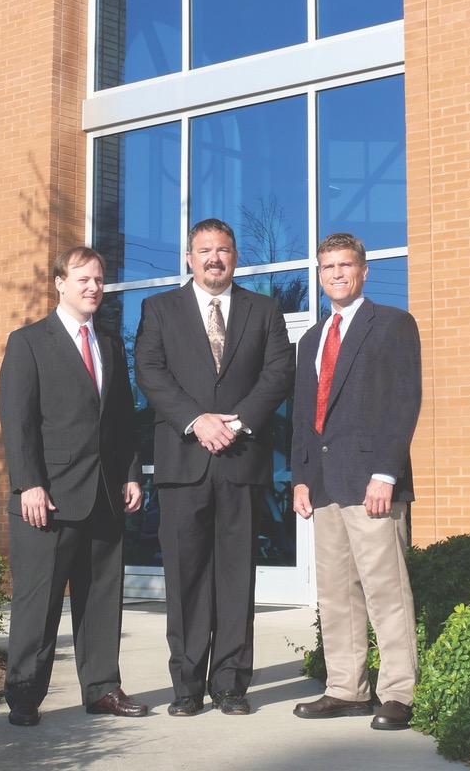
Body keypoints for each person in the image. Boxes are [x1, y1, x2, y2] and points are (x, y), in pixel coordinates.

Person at [134, 218, 295, 716]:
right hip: (184, 465)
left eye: (223, 250)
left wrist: (240, 421)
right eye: (204, 250)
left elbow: (279, 373)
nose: (214, 258)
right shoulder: (158, 309)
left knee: (235, 577)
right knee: (185, 579)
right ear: (189, 258)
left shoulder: (264, 310)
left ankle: (230, 684)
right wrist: (196, 420)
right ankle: (186, 686)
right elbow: (149, 372)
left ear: (235, 257)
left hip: (242, 464)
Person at [0, 245, 147, 727]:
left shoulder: (108, 344)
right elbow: (17, 422)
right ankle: (23, 695)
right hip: (49, 500)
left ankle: (102, 688)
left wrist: (131, 473)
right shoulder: (28, 342)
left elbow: (122, 419)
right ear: (59, 283)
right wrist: (28, 486)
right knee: (37, 602)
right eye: (83, 278)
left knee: (102, 598)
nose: (93, 287)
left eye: (99, 279)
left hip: (104, 494)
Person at [291, 232, 421, 731]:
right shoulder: (310, 337)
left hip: (373, 483)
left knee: (386, 590)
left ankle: (398, 692)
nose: (337, 274)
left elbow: (403, 403)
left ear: (364, 270)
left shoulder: (391, 325)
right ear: (320, 275)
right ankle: (346, 689)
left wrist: (386, 472)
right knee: (337, 593)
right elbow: (304, 415)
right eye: (328, 267)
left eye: (346, 265)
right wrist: (302, 479)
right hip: (324, 486)